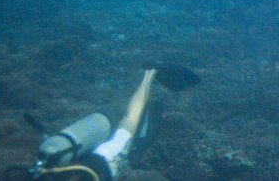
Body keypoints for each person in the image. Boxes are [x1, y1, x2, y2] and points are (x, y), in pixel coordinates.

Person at [28, 61, 200, 180]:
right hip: (78, 160)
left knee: (129, 124)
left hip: (102, 161)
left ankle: (150, 73)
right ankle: (149, 74)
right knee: (133, 131)